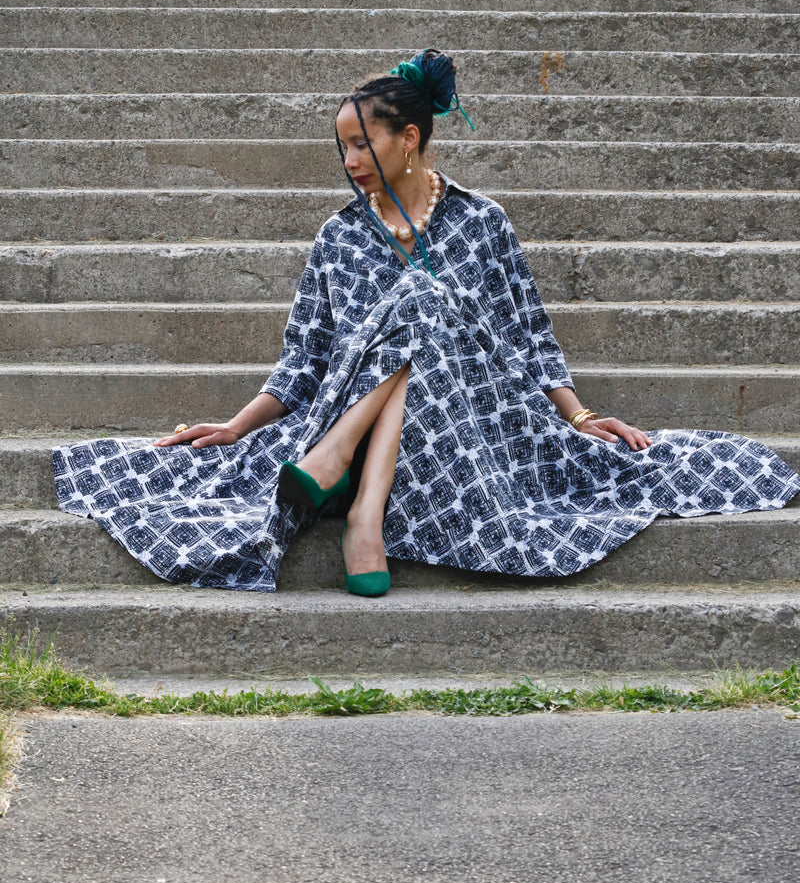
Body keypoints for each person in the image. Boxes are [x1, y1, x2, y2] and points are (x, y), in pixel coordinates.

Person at [53, 49, 800, 597]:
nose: (350, 160)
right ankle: (360, 508)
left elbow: (528, 334)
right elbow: (304, 359)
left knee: (424, 297)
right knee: (418, 299)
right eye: (343, 146)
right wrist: (236, 426)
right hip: (351, 405)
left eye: (363, 143)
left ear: (408, 138)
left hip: (469, 420)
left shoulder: (482, 222)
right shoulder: (338, 236)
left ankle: (345, 482)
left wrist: (578, 415)